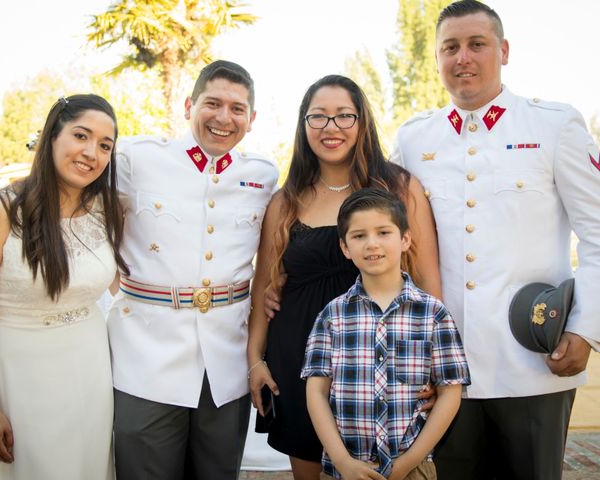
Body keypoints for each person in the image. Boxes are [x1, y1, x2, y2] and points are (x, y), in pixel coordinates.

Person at [391, 1, 600, 478]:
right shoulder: (413, 139)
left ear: (503, 51)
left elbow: (597, 233)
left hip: (533, 362)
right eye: (450, 47)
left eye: (476, 44)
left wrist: (586, 328)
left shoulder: (553, 126)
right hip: (445, 372)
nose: (463, 57)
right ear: (438, 59)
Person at [248, 74, 442, 479]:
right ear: (303, 125)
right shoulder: (285, 200)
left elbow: (427, 281)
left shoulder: (400, 188)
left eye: (343, 116)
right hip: (298, 363)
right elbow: (262, 288)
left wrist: (432, 367)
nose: (330, 128)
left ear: (362, 122)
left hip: (385, 363)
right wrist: (255, 360)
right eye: (318, 117)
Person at [108, 60, 277, 479]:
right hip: (146, 355)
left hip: (226, 359)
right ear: (189, 106)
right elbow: (69, 193)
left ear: (251, 120)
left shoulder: (263, 175)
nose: (224, 118)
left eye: (237, 109)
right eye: (212, 104)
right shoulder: (137, 158)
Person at [0, 94, 126, 479]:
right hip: (19, 373)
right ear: (52, 136)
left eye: (105, 146)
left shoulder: (111, 210)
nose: (92, 152)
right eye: (81, 136)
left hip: (89, 370)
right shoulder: (1, 210)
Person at [302, 188, 470, 480]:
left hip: (412, 467)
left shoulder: (433, 314)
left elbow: (450, 393)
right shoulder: (332, 316)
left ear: (405, 239)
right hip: (344, 470)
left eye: (383, 232)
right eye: (359, 236)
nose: (371, 244)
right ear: (345, 247)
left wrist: (407, 462)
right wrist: (343, 462)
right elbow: (316, 391)